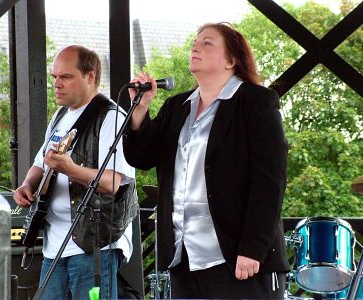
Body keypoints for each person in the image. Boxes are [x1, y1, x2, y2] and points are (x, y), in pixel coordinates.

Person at [123, 22, 290, 299]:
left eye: (207, 42)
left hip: (235, 255)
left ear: (231, 60)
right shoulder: (177, 106)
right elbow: (142, 157)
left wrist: (252, 248)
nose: (195, 46)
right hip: (183, 253)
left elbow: (270, 182)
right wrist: (139, 109)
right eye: (195, 42)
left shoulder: (256, 101)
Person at [14, 45, 137, 300]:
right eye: (54, 77)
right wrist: (27, 184)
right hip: (54, 244)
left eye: (65, 77)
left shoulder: (111, 118)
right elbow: (41, 162)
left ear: (90, 76)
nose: (57, 84)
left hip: (94, 245)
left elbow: (113, 182)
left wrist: (71, 169)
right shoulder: (60, 116)